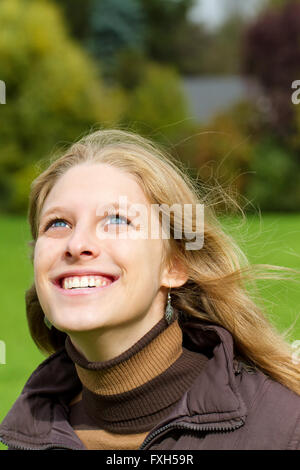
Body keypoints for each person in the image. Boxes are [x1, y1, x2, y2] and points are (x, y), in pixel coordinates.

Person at [0, 129, 299, 451]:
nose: (77, 244)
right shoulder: (29, 434)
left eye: (116, 219)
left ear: (175, 265)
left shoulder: (284, 428)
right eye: (58, 223)